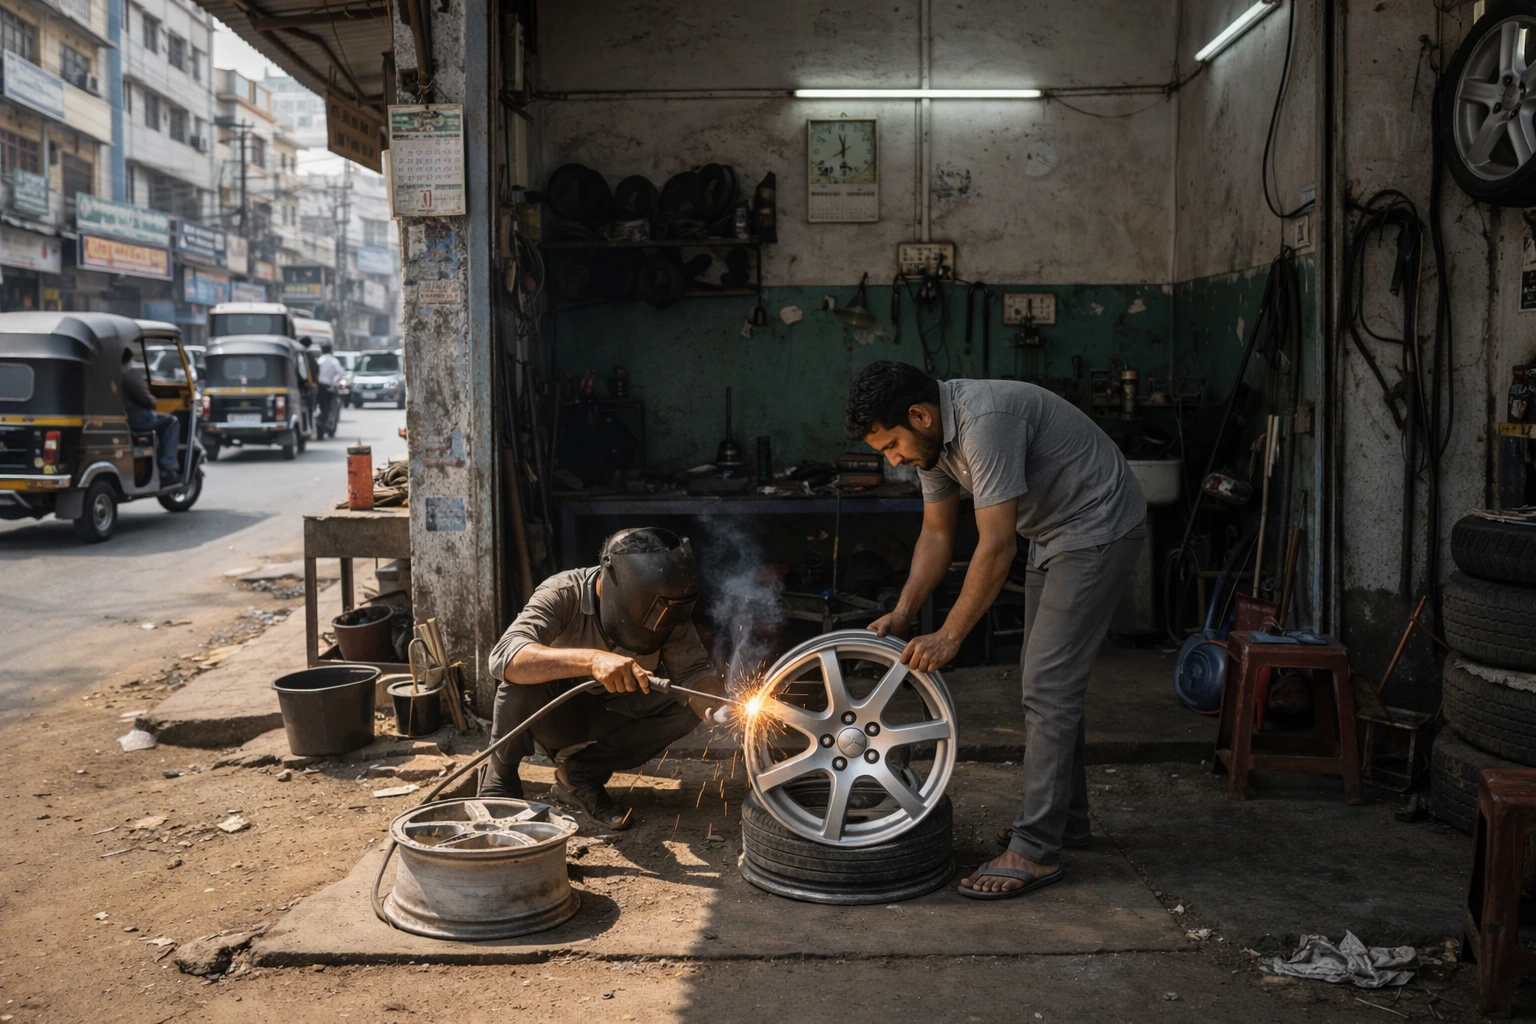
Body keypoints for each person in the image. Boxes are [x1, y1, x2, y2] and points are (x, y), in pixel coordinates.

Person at [845, 361, 1146, 900]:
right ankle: (1067, 821)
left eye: (891, 445)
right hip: (1050, 532)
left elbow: (997, 545)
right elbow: (937, 534)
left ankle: (1036, 851)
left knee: (1047, 684)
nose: (893, 459)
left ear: (919, 415)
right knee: (1047, 681)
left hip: (1096, 526)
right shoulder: (934, 444)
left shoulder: (985, 423)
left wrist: (951, 634)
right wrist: (904, 611)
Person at [483, 527, 728, 829]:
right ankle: (501, 773)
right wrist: (593, 661)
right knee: (519, 681)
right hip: (556, 714)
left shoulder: (669, 611)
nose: (660, 622)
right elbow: (505, 656)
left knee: (684, 705)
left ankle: (580, 774)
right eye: (651, 612)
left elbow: (693, 674)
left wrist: (716, 707)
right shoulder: (563, 592)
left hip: (613, 713)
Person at [120, 346, 181, 484]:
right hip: (135, 418)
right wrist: (153, 400)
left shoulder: (110, 374)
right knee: (171, 421)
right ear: (128, 359)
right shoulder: (129, 374)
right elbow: (148, 400)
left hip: (124, 418)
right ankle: (168, 463)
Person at [316, 341, 343, 425]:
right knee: (328, 404)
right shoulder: (333, 360)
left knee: (321, 404)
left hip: (319, 386)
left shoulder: (319, 360)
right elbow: (341, 372)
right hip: (329, 386)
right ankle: (325, 419)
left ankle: (321, 419)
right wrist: (334, 380)